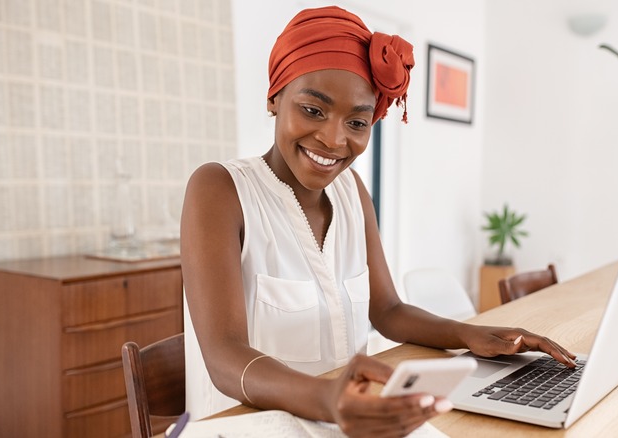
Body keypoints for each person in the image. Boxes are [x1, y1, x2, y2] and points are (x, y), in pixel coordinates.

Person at [180, 5, 576, 437]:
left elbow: (387, 309)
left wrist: (472, 334)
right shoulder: (219, 190)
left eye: (357, 122)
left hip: (342, 419)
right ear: (274, 97)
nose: (334, 139)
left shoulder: (352, 193)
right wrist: (326, 400)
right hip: (247, 425)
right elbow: (223, 355)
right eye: (313, 110)